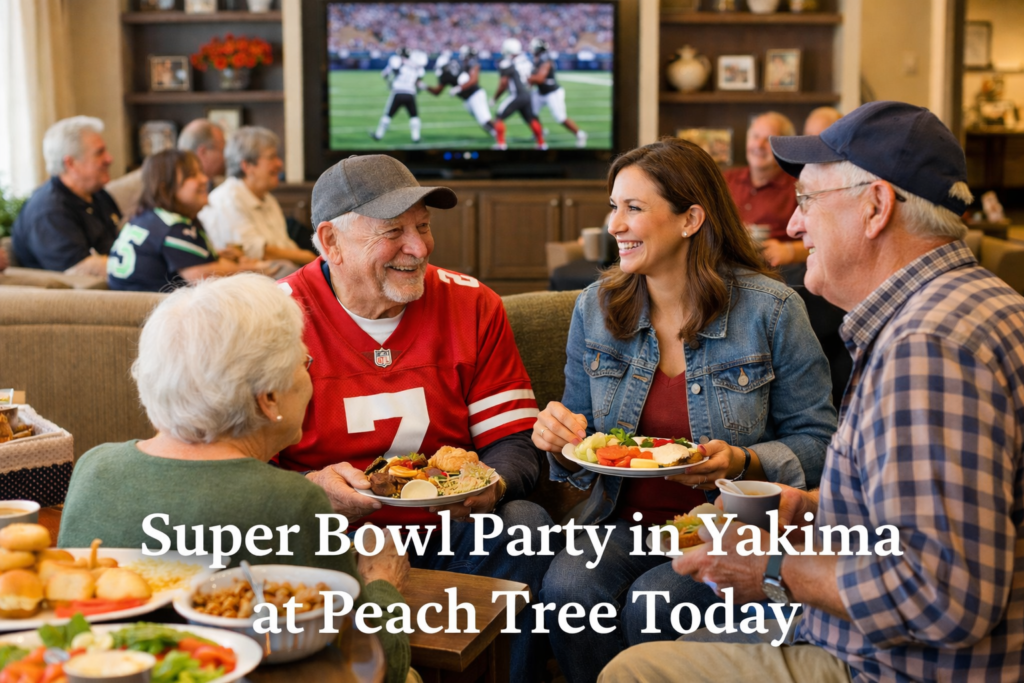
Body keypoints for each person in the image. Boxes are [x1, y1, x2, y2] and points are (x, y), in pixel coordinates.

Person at [600, 101, 1024, 683]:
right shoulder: (978, 305)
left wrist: (770, 567)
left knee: (635, 671)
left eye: (807, 202)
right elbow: (948, 513)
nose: (794, 227)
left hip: (892, 665)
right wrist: (816, 507)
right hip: (879, 642)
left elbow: (942, 597)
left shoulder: (926, 345)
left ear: (875, 207)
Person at [533, 137, 837, 683]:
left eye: (634, 208)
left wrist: (743, 462)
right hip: (620, 522)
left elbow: (820, 445)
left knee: (655, 603)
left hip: (727, 528)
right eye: (613, 207)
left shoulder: (772, 310)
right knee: (568, 589)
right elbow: (580, 446)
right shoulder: (594, 310)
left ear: (691, 218)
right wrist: (559, 437)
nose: (614, 225)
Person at [277, 154, 560, 683]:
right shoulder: (273, 320)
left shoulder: (473, 305)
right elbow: (238, 468)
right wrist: (312, 492)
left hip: (449, 533)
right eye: (394, 232)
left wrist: (490, 486)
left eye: (423, 227)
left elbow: (515, 441)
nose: (420, 247)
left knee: (525, 526)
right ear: (330, 242)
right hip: (328, 539)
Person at [58, 274, 412, 683]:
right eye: (305, 364)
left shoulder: (93, 469)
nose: (309, 378)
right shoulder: (292, 503)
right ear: (269, 398)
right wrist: (384, 584)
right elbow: (378, 666)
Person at [107, 149, 266, 292]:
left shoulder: (149, 218)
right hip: (149, 311)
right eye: (192, 175)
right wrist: (252, 268)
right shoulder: (173, 228)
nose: (204, 179)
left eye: (201, 172)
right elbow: (205, 278)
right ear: (165, 189)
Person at [11, 116, 120, 276]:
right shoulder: (49, 211)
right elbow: (80, 269)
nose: (109, 159)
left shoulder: (97, 193)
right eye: (99, 153)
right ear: (70, 163)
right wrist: (144, 266)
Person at [199, 126, 316, 273]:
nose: (279, 164)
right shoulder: (227, 201)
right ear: (247, 166)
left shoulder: (267, 198)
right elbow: (259, 251)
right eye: (272, 157)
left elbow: (283, 245)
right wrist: (312, 257)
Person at [723, 112, 804, 267]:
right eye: (755, 137)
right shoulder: (725, 180)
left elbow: (824, 242)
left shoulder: (800, 187)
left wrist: (790, 251)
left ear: (785, 147)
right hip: (727, 265)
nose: (759, 145)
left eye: (768, 140)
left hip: (779, 272)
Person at [106, 119, 227, 223]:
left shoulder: (209, 183)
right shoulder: (154, 178)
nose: (226, 157)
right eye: (222, 150)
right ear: (203, 152)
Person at [427, 46, 497, 141]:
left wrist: (459, 88)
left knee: (484, 119)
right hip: (467, 99)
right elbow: (437, 91)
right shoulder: (458, 66)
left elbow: (473, 80)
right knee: (483, 122)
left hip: (475, 95)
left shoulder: (470, 64)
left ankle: (499, 136)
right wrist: (424, 86)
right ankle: (496, 134)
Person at [528, 38, 587, 148]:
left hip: (552, 92)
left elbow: (540, 78)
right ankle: (539, 132)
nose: (531, 49)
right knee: (530, 112)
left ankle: (580, 134)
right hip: (541, 92)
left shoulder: (546, 59)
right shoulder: (537, 59)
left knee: (560, 117)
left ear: (538, 48)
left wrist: (527, 78)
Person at [492, 38, 547, 150]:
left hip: (516, 95)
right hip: (527, 94)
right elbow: (531, 78)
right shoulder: (527, 60)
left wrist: (495, 98)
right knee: (531, 119)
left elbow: (503, 84)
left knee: (498, 118)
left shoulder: (507, 63)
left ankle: (501, 144)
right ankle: (541, 143)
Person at [373, 48, 428, 144]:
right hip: (410, 93)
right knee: (414, 116)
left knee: (388, 115)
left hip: (398, 92)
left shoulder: (396, 61)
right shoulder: (416, 65)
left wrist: (390, 83)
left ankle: (378, 135)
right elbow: (420, 78)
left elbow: (384, 74)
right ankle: (416, 137)